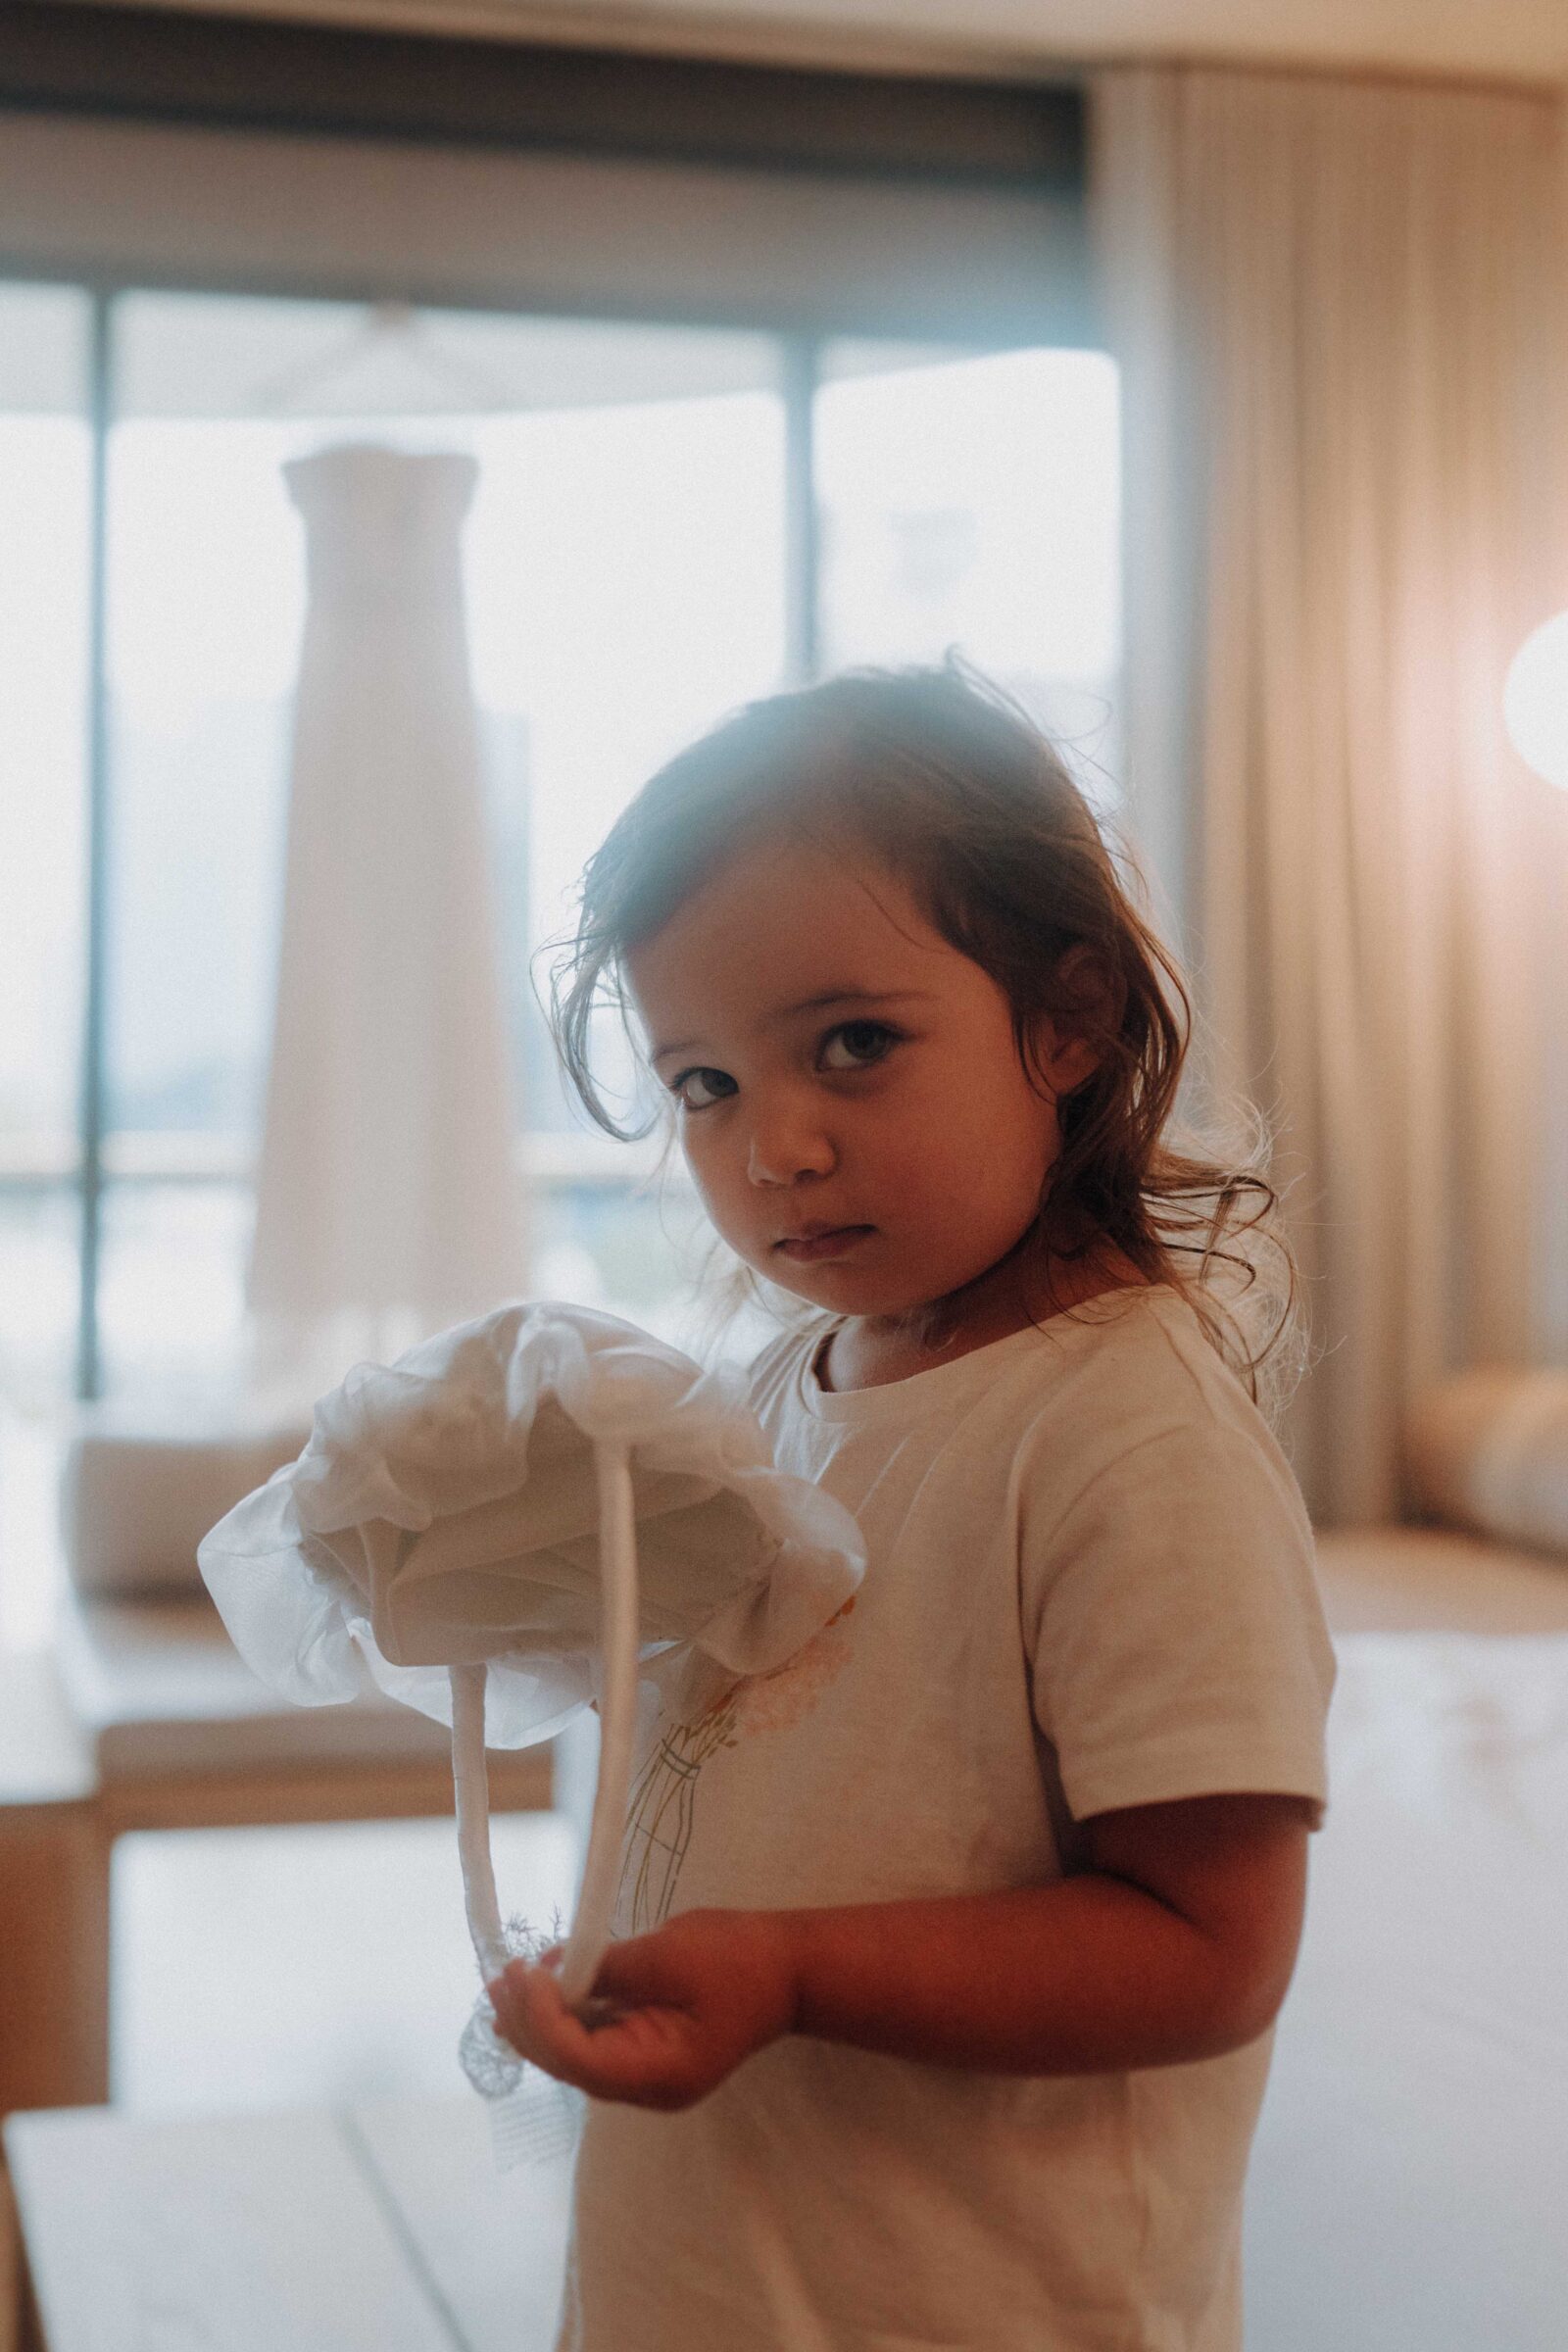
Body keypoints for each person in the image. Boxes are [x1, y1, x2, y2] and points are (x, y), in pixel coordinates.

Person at [489, 659, 1337, 2352]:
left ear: (1068, 1017)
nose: (773, 1149)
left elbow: (1209, 1945)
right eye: (705, 1085)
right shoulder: (773, 1399)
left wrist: (793, 1972)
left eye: (852, 1045)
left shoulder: (1122, 1430)